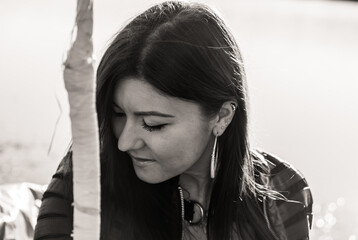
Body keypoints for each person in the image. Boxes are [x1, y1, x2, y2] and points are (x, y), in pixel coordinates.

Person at [34, 1, 313, 239]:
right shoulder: (82, 181)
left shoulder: (283, 193)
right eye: (119, 114)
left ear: (222, 116)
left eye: (153, 123)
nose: (124, 142)